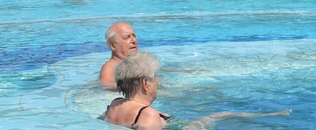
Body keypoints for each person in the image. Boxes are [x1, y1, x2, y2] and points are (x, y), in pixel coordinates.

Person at [104, 51, 290, 130]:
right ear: (145, 83)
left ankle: (274, 114)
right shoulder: (148, 116)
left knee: (220, 115)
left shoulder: (114, 105)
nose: (157, 83)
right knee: (221, 114)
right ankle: (275, 115)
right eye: (154, 78)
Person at [100, 22, 138, 89]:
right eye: (127, 37)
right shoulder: (110, 69)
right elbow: (107, 88)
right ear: (113, 45)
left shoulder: (134, 63)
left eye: (134, 36)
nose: (133, 40)